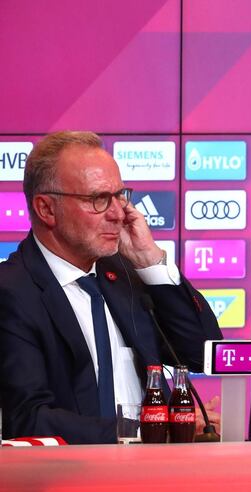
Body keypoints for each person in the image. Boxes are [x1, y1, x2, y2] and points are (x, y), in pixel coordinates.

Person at [0, 131, 223, 444]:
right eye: (98, 199)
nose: (118, 213)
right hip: (72, 483)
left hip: (159, 474)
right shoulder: (12, 292)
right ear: (46, 209)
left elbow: (203, 353)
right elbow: (29, 419)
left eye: (120, 196)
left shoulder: (125, 276)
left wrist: (150, 262)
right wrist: (148, 430)